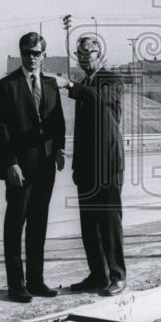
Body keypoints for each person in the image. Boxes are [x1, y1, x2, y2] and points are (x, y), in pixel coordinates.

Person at [0, 32, 66, 302]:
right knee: (15, 227)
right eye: (26, 53)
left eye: (36, 53)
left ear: (43, 55)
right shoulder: (6, 86)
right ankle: (16, 286)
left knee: (39, 226)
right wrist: (10, 162)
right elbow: (0, 130)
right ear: (20, 54)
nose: (31, 58)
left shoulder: (50, 84)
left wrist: (59, 148)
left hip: (45, 167)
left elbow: (57, 120)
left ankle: (36, 281)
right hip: (19, 169)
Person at [54, 35, 126, 296]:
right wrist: (76, 167)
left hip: (108, 165)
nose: (84, 58)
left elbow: (99, 98)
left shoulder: (112, 80)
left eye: (89, 53)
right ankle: (98, 276)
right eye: (80, 55)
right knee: (89, 226)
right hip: (86, 168)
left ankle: (117, 276)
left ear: (100, 54)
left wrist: (68, 84)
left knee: (109, 223)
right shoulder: (86, 83)